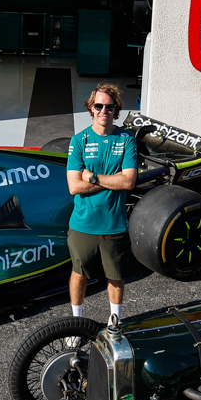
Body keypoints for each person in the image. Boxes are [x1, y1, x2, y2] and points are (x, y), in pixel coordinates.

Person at [66, 83, 137, 325]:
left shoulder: (127, 139)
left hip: (114, 224)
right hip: (83, 223)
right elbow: (74, 187)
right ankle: (76, 325)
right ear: (91, 107)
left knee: (115, 277)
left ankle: (115, 324)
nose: (103, 110)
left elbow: (128, 182)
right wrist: (113, 179)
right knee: (78, 275)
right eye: (99, 105)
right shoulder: (79, 141)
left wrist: (92, 176)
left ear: (116, 109)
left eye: (109, 106)